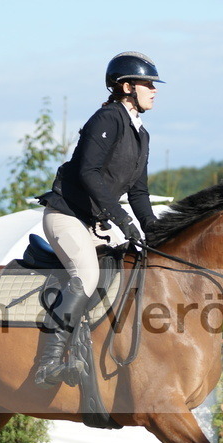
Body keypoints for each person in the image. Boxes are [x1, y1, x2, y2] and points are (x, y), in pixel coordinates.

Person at [34, 51, 163, 387]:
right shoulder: (107, 120)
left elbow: (139, 193)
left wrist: (155, 232)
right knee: (87, 274)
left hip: (93, 223)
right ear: (125, 86)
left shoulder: (141, 134)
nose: (154, 89)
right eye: (148, 83)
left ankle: (85, 348)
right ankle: (49, 362)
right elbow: (89, 173)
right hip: (66, 216)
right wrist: (122, 220)